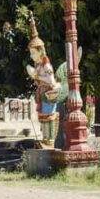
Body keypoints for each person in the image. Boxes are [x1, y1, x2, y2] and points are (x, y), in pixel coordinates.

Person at [25, 12, 61, 148]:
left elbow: (51, 81)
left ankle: (49, 141)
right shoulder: (38, 65)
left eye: (33, 52)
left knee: (49, 117)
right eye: (31, 53)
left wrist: (36, 76)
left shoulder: (46, 64)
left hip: (49, 93)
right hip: (42, 93)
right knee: (43, 117)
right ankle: (45, 139)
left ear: (40, 51)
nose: (32, 55)